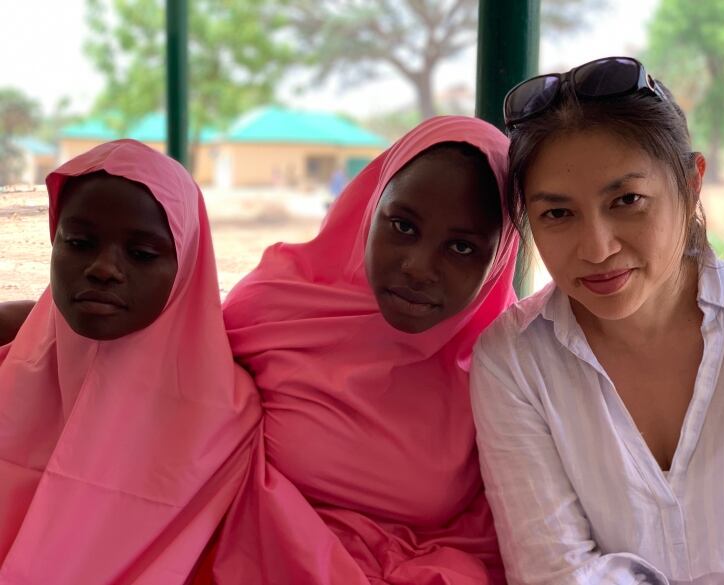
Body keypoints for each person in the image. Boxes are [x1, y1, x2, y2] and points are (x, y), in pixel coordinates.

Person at [470, 56, 724, 585]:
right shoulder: (514, 359)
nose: (597, 248)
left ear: (691, 182)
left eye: (627, 200)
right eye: (558, 214)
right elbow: (555, 572)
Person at [209, 115, 520, 583]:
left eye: (460, 248)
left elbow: (503, 534)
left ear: (498, 258)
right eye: (402, 226)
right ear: (369, 207)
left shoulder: (505, 367)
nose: (418, 267)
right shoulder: (274, 310)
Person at [0, 139, 261, 583]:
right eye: (79, 242)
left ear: (186, 268)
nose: (103, 268)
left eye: (142, 254)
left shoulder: (226, 420)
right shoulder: (9, 368)